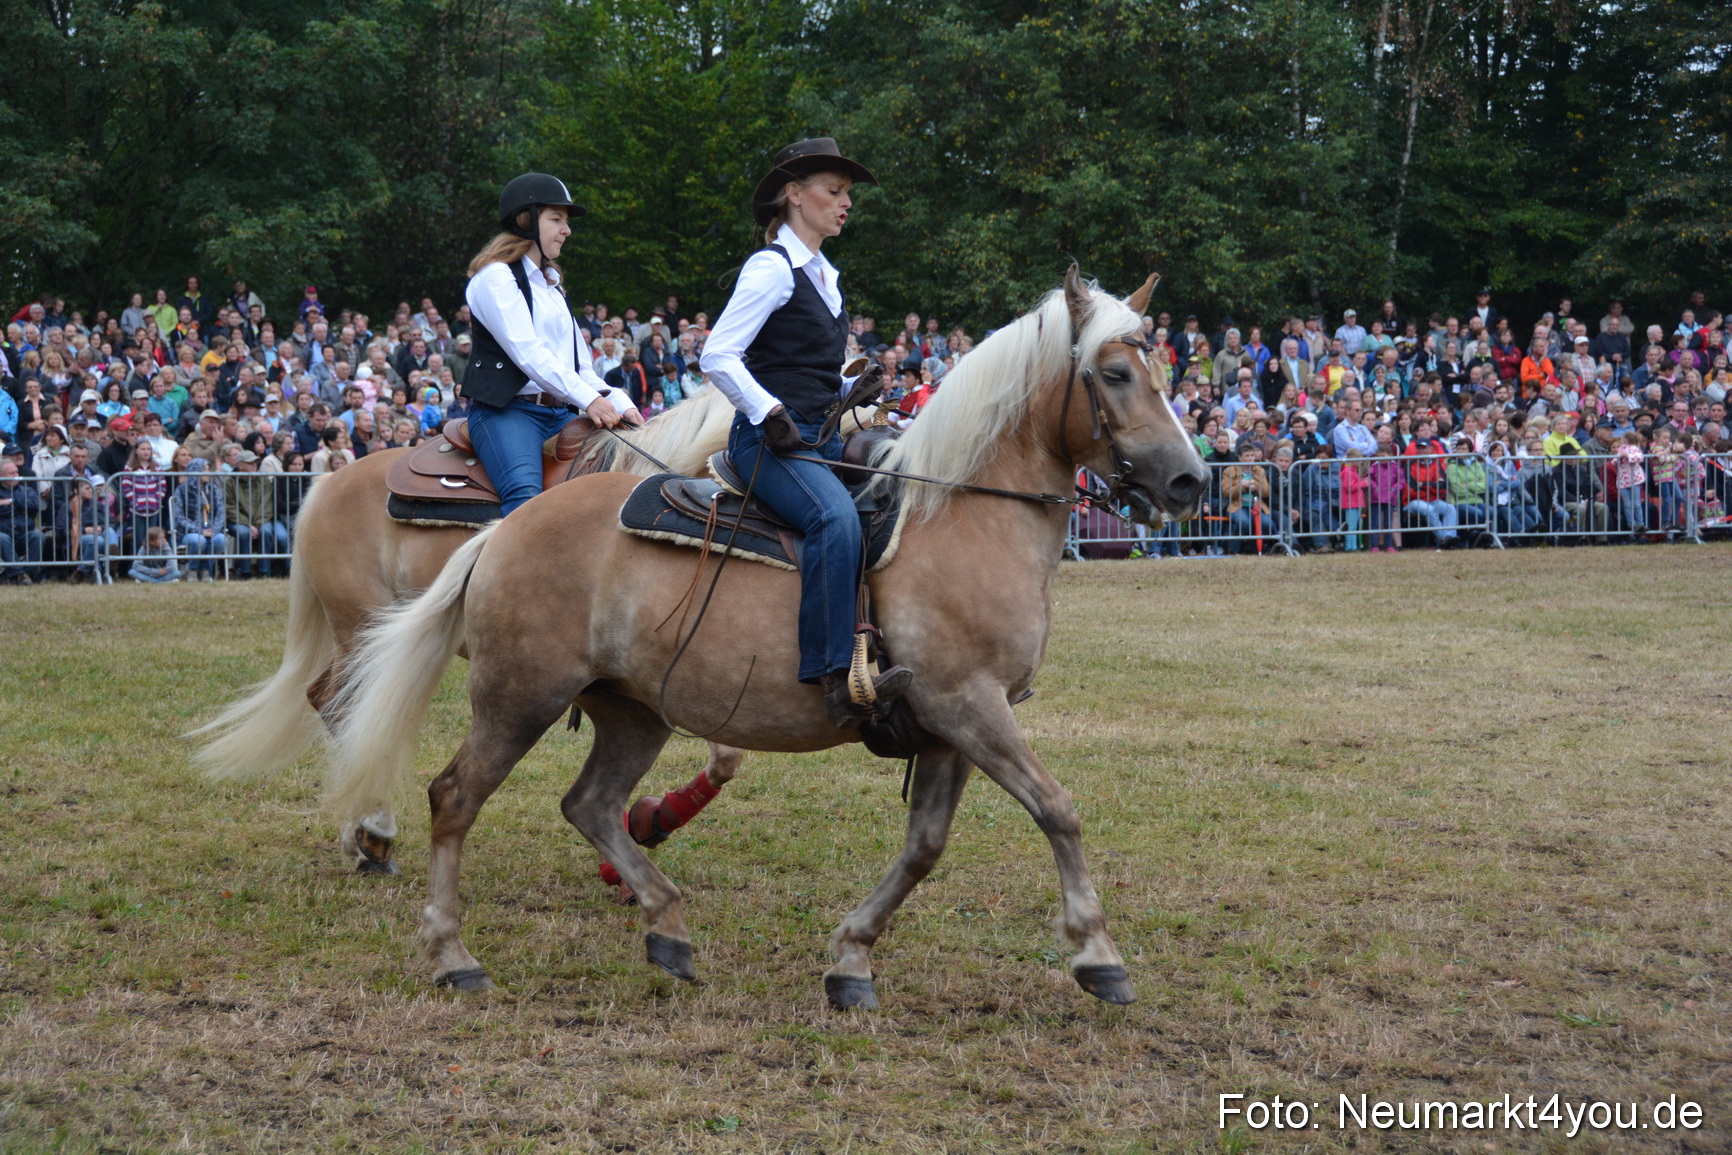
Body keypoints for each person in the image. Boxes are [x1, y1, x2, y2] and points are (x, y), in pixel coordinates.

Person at [699, 137, 908, 727]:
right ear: (794, 194)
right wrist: (767, 410)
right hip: (766, 443)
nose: (846, 203)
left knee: (895, 492)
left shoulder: (824, 275)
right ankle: (834, 676)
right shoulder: (772, 269)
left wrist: (851, 387)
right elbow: (717, 354)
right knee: (834, 518)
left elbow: (804, 367)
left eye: (847, 194)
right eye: (834, 191)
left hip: (819, 437)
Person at [462, 172, 640, 515]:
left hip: (560, 413)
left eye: (566, 221)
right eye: (556, 219)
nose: (567, 230)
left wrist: (617, 400)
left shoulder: (552, 286)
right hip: (508, 412)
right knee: (525, 496)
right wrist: (589, 401)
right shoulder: (495, 278)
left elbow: (580, 368)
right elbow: (529, 353)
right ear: (526, 221)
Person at [171, 457, 227, 581]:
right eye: (204, 470)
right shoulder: (182, 490)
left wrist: (215, 529)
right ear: (195, 471)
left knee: (221, 539)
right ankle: (193, 570)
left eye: (208, 469)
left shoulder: (213, 489)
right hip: (189, 532)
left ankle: (206, 569)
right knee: (198, 540)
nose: (208, 472)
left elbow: (220, 512)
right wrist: (199, 530)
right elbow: (179, 516)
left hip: (211, 530)